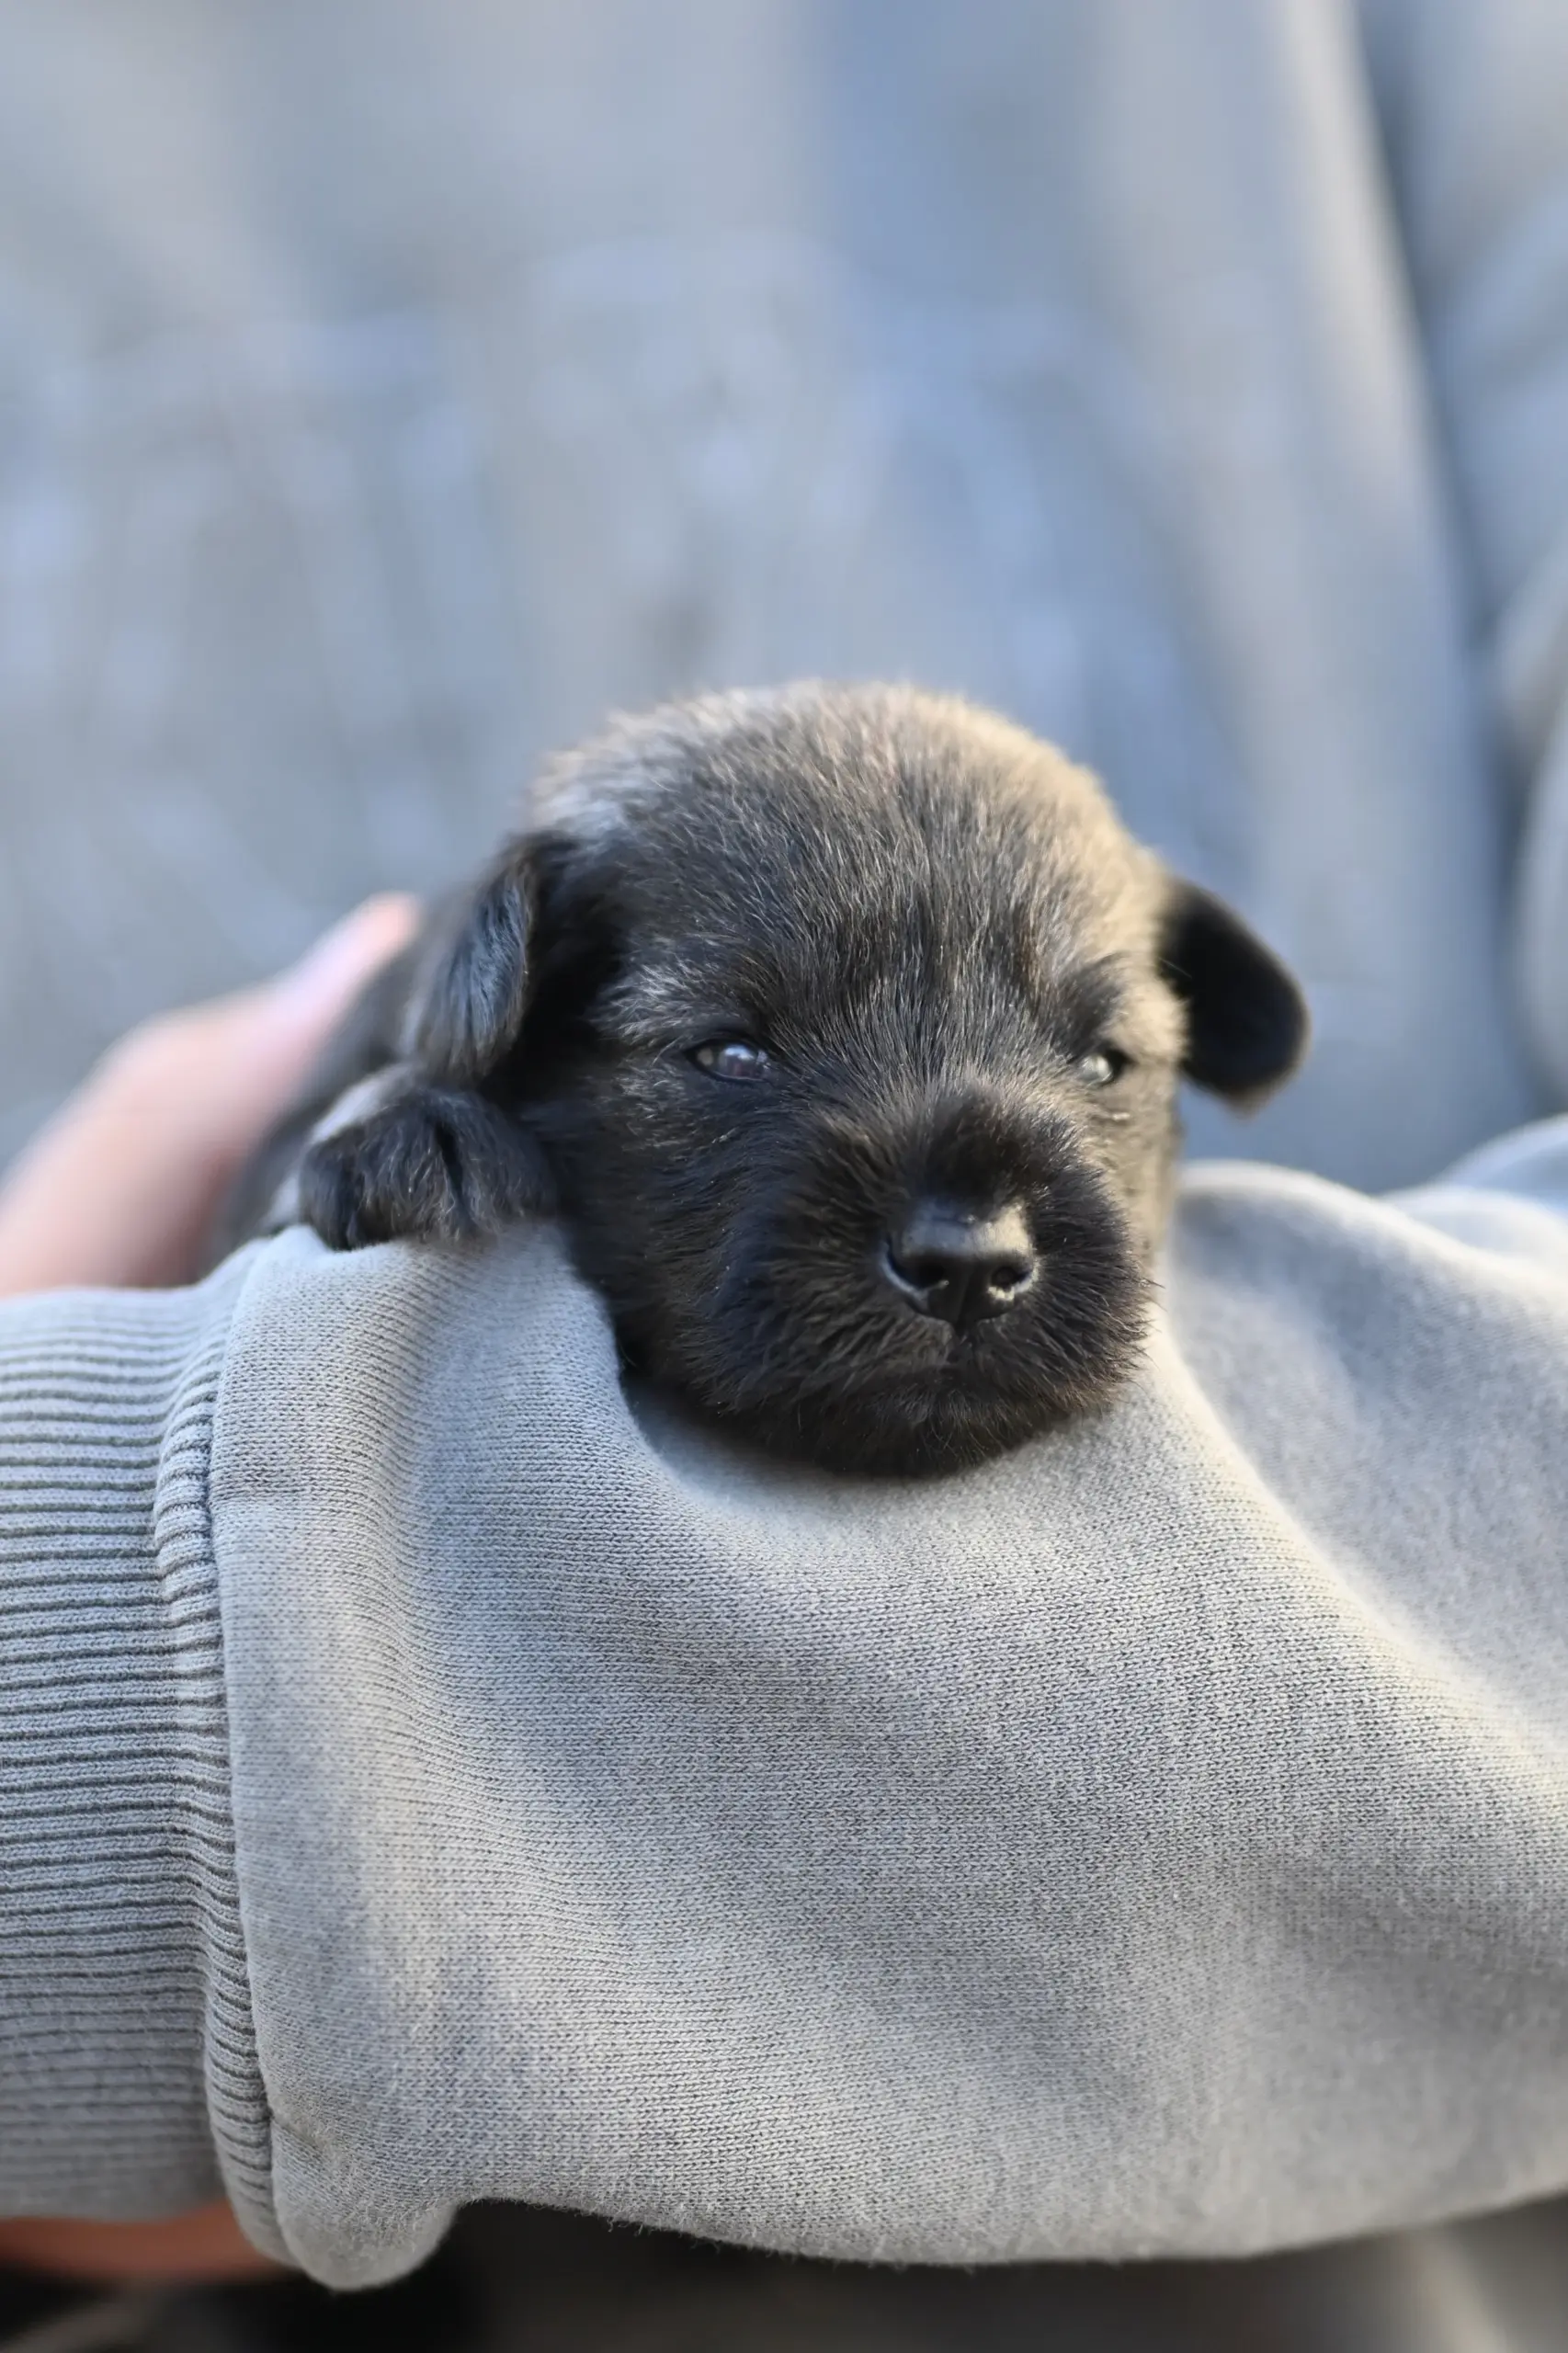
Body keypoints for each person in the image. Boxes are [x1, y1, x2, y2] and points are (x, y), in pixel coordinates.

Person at [3, 3, 1568, 2347]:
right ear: (495, 1017)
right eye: (729, 1054)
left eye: (1096, 1057)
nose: (968, 1214)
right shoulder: (426, 1062)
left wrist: (131, 1807)